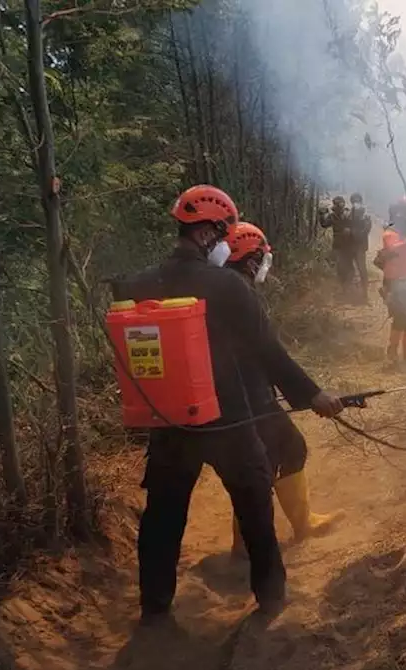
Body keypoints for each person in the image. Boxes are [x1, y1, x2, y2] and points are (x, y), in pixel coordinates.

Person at [111, 185, 344, 622]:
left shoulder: (140, 283)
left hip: (169, 423)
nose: (224, 243)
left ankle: (154, 610)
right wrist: (313, 395)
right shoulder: (228, 286)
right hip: (228, 421)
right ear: (206, 234)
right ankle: (271, 599)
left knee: (162, 516)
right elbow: (268, 352)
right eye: (223, 234)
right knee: (255, 506)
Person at [223, 222, 341, 557]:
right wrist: (312, 394)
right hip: (245, 394)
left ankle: (297, 525)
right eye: (263, 258)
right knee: (267, 460)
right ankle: (246, 546)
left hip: (239, 391)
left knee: (281, 451)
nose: (265, 265)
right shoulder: (238, 292)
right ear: (250, 260)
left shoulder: (224, 286)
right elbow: (270, 351)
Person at [374, 197, 406, 364]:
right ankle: (392, 353)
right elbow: (393, 248)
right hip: (394, 281)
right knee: (400, 316)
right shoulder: (391, 232)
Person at [318, 196, 354, 296]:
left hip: (348, 244)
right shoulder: (333, 216)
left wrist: (349, 230)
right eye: (335, 204)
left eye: (337, 204)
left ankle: (349, 286)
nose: (335, 206)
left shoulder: (349, 214)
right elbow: (324, 224)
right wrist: (322, 214)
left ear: (342, 204)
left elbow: (356, 226)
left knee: (348, 266)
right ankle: (344, 288)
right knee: (340, 267)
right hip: (338, 244)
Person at [345, 192, 373, 304]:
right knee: (349, 269)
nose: (356, 203)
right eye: (354, 201)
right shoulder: (348, 215)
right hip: (349, 246)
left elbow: (365, 231)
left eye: (358, 201)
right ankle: (349, 292)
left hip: (360, 247)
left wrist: (351, 232)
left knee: (362, 270)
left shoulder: (366, 217)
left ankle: (365, 293)